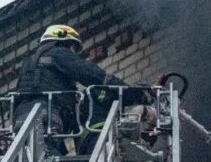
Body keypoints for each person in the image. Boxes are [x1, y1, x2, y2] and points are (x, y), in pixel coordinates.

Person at [13, 24, 127, 154]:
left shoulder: (30, 63)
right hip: (47, 113)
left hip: (21, 115)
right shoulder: (58, 53)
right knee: (48, 154)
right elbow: (88, 73)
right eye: (73, 48)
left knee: (38, 154)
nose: (73, 53)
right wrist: (122, 88)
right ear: (62, 41)